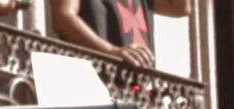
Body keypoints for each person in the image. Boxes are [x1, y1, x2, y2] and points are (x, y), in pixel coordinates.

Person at [53, 0, 187, 72]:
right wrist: (110, 51)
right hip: (101, 85)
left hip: (142, 95)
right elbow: (63, 17)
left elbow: (180, 7)